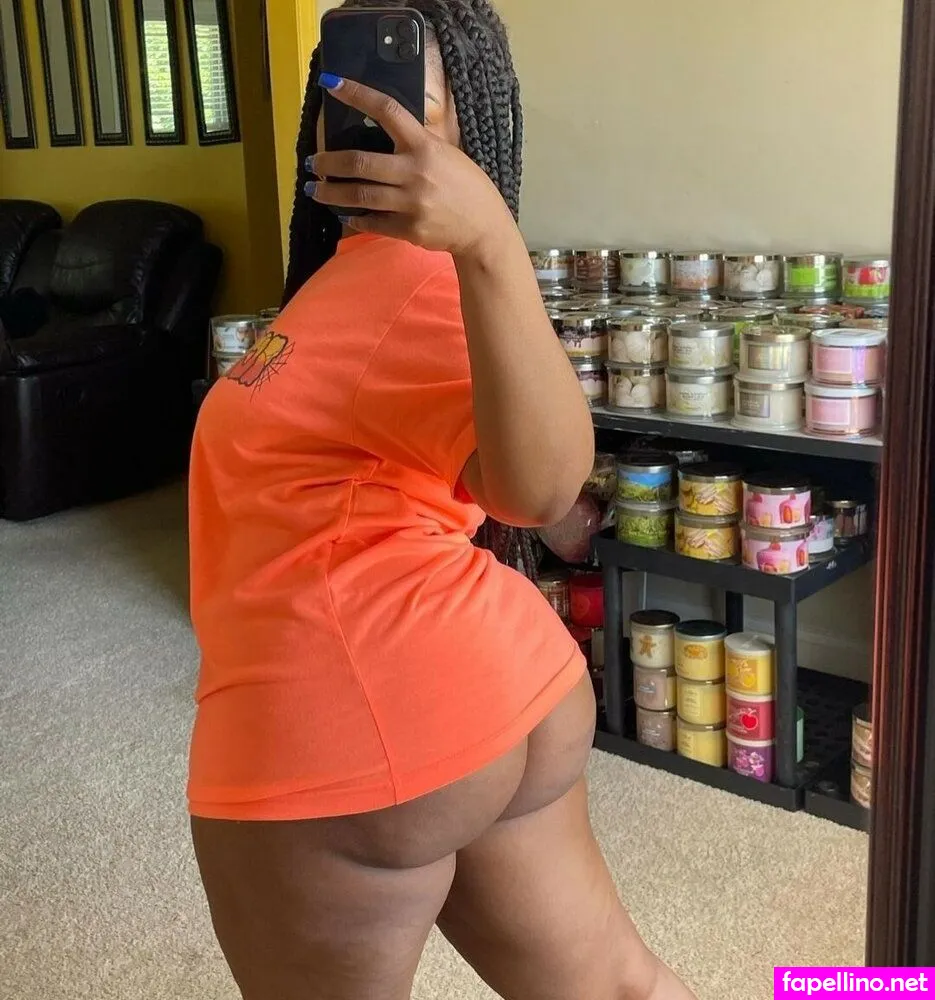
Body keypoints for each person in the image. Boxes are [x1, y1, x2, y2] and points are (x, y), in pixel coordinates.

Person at [186, 2, 696, 998]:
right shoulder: (354, 273)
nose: (367, 111)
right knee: (612, 982)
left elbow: (539, 490)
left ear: (474, 119)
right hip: (480, 688)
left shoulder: (439, 278)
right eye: (343, 87)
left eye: (411, 97)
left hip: (351, 716)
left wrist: (488, 240)